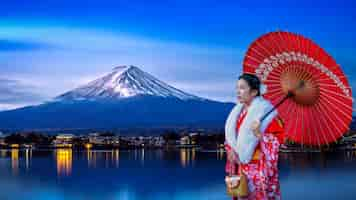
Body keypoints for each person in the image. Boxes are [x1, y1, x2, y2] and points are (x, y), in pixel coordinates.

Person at [225, 73, 284, 200]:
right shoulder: (237, 113)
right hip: (240, 169)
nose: (238, 92)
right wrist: (231, 150)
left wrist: (259, 134)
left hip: (259, 169)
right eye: (237, 88)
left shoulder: (267, 115)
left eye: (242, 88)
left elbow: (276, 143)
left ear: (254, 92)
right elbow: (230, 139)